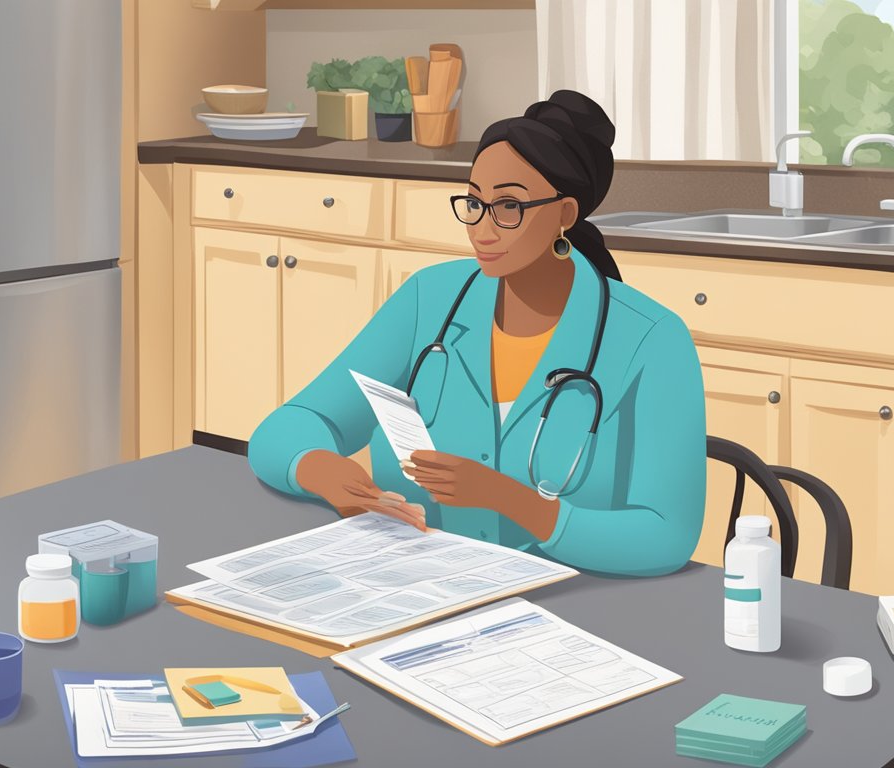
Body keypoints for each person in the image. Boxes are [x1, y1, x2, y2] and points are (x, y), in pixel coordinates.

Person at [248, 90, 707, 577]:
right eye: (474, 202)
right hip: (413, 585)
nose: (482, 229)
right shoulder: (430, 300)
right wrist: (324, 471)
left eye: (509, 206)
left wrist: (510, 500)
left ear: (565, 214)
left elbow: (666, 536)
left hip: (573, 605)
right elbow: (285, 428)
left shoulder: (652, 340)